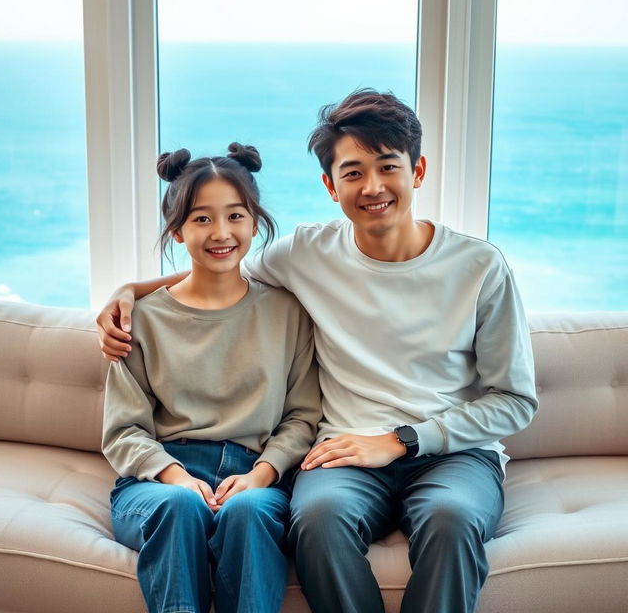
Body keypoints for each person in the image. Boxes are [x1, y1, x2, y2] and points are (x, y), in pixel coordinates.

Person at [98, 90, 538, 613]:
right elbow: (217, 269)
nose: (372, 187)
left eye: (387, 167)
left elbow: (515, 400)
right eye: (352, 173)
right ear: (330, 186)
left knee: (451, 519)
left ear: (417, 171)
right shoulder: (306, 253)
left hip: (453, 454)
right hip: (342, 454)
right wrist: (131, 290)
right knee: (317, 520)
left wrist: (401, 440)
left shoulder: (480, 268)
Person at [101, 143, 321, 613]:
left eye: (235, 216)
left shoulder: (287, 311)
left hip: (257, 476)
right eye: (202, 219)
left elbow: (304, 416)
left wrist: (262, 474)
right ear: (177, 230)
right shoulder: (140, 319)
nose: (221, 232)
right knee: (181, 509)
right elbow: (123, 431)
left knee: (247, 513)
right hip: (162, 480)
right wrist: (175, 477)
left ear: (255, 222)